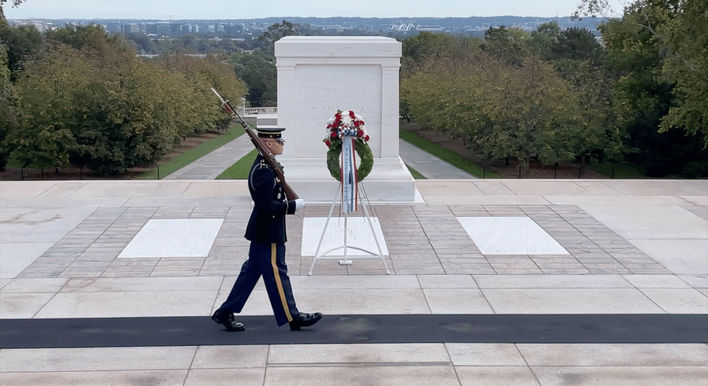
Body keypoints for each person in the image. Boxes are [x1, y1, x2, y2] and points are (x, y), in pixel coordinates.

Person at [211, 127, 322, 331]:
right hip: (268, 231)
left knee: (251, 272)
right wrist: (291, 206)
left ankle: (224, 312)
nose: (282, 144)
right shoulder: (263, 169)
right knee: (278, 273)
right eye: (280, 141)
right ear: (269, 143)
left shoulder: (267, 165)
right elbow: (264, 206)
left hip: (264, 230)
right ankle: (293, 316)